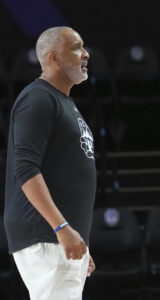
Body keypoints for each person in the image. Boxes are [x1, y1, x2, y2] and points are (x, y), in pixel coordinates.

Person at [4, 26, 96, 300]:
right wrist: (61, 228)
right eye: (77, 47)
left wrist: (80, 242)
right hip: (46, 233)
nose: (86, 54)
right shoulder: (38, 99)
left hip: (59, 239)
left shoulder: (62, 101)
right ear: (53, 58)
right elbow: (26, 169)